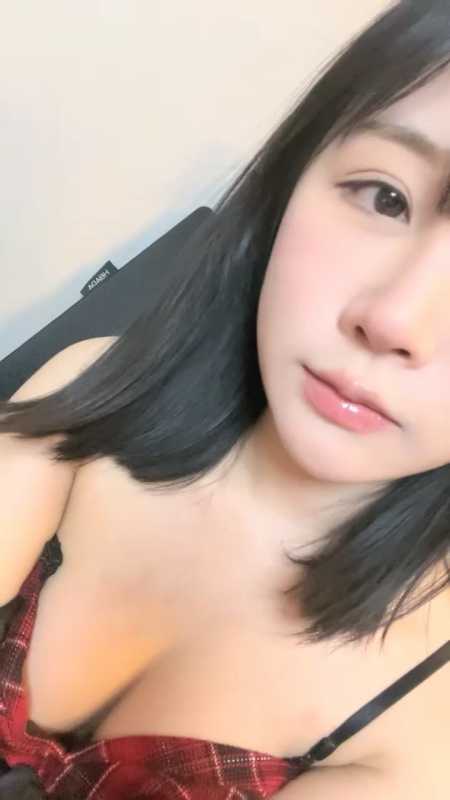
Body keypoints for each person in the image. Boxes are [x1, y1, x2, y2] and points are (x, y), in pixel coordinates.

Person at [0, 1, 448, 797]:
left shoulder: (422, 721)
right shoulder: (90, 390)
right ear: (292, 180)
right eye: (384, 197)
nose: (392, 320)